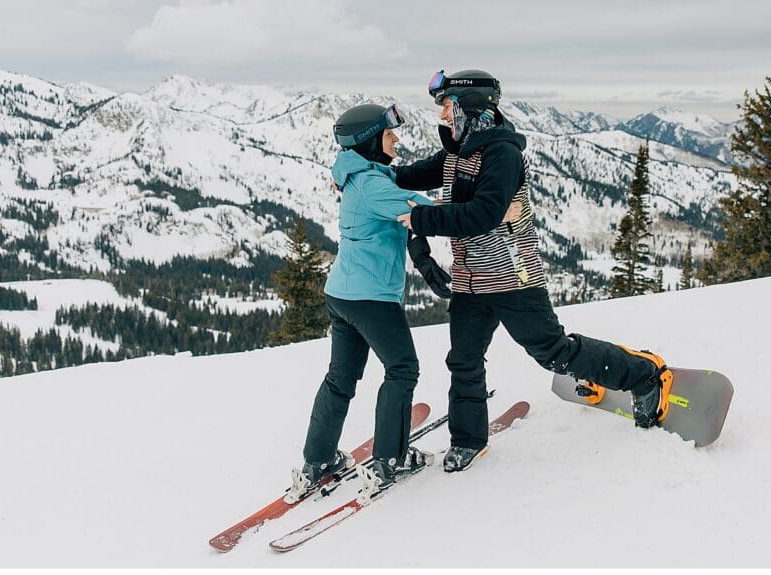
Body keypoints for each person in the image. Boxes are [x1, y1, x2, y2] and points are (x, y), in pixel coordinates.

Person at [393, 69, 673, 473]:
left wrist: (422, 220)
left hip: (512, 277)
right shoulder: (457, 153)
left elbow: (483, 214)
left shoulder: (501, 155)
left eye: (448, 106)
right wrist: (366, 176)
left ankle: (643, 375)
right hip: (472, 280)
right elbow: (410, 174)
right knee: (464, 360)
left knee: (553, 351)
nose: (442, 116)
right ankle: (468, 440)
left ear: (470, 109)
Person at [286, 103, 444, 500]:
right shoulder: (372, 185)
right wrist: (491, 208)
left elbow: (399, 196)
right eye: (389, 135)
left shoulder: (361, 174)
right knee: (403, 369)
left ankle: (317, 460)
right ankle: (391, 459)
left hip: (341, 293)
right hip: (371, 298)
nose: (396, 140)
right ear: (369, 141)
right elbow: (427, 212)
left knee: (340, 379)